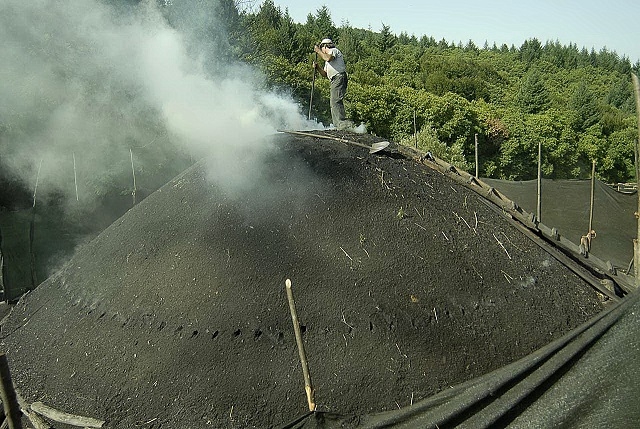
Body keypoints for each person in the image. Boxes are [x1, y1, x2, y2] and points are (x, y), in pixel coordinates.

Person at [313, 38, 353, 130]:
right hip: (334, 79)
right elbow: (324, 74)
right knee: (333, 101)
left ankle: (341, 123)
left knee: (335, 101)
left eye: (321, 48)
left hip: (339, 77)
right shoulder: (327, 61)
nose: (322, 51)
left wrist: (318, 51)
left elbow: (327, 57)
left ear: (325, 46)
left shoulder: (334, 51)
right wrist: (318, 67)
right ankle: (338, 124)